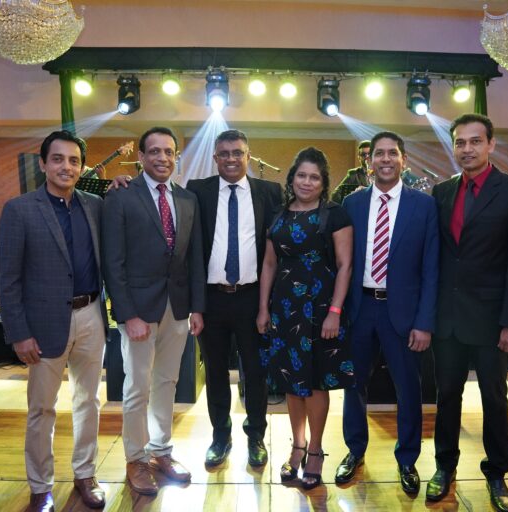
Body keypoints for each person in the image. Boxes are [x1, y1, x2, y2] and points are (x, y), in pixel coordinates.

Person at [427, 114, 508, 512]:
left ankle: (497, 474)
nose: (467, 149)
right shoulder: (441, 192)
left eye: (475, 141)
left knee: (494, 396)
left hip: (493, 321)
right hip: (448, 318)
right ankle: (444, 467)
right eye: (460, 142)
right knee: (446, 396)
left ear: (491, 144)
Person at [0, 131, 107, 512]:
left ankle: (85, 474)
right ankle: (40, 486)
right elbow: (7, 279)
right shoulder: (19, 210)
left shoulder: (95, 206)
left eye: (74, 160)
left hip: (91, 314)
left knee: (89, 400)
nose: (66, 167)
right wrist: (19, 333)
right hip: (42, 324)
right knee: (42, 408)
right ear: (43, 164)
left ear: (82, 167)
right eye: (58, 159)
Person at [102, 127, 206, 496]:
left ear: (176, 157)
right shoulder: (121, 196)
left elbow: (194, 258)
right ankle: (135, 458)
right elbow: (113, 262)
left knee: (167, 382)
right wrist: (126, 313)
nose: (163, 158)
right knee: (137, 386)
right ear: (141, 156)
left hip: (177, 308)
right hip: (138, 312)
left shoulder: (188, 199)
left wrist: (196, 307)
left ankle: (161, 451)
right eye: (155, 151)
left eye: (169, 152)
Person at [335, 131, 439, 495]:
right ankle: (354, 450)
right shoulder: (351, 203)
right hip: (360, 309)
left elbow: (431, 270)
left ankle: (407, 458)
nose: (385, 159)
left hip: (404, 314)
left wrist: (424, 322)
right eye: (378, 153)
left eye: (392, 153)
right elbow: (341, 261)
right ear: (369, 161)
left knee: (408, 388)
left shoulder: (424, 206)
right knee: (353, 385)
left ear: (403, 160)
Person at [256, 147, 354, 489]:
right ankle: (297, 445)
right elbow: (269, 263)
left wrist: (335, 312)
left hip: (320, 308)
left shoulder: (335, 214)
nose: (307, 182)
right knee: (291, 381)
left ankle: (315, 450)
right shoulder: (278, 214)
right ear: (292, 178)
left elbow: (345, 265)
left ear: (323, 183)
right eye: (301, 175)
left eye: (314, 177)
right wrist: (263, 308)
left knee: (313, 383)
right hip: (284, 309)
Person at [186, 130, 283, 468]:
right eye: (224, 153)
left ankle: (256, 435)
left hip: (253, 298)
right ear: (215, 158)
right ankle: (220, 436)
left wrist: (268, 305)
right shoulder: (197, 190)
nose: (231, 158)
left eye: (237, 152)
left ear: (248, 155)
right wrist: (125, 181)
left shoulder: (270, 192)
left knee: (255, 372)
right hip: (211, 299)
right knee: (215, 372)